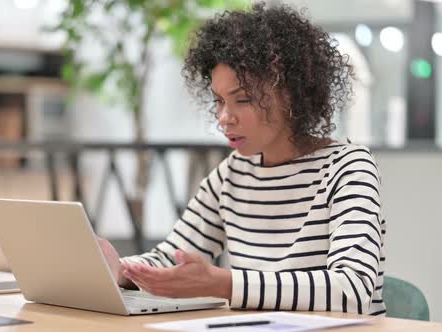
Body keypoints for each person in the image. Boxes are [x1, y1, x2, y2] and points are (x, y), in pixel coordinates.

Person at [98, 2, 386, 316]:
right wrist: (118, 270)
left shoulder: (348, 168)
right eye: (220, 101)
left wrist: (222, 284)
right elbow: (169, 258)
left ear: (292, 94)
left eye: (243, 100)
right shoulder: (232, 175)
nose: (224, 117)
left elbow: (352, 290)